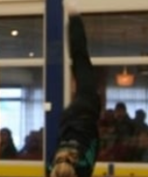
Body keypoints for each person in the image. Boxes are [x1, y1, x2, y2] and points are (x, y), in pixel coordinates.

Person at [48, 11, 100, 177]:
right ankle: (73, 19)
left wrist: (94, 125)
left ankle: (74, 17)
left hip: (87, 113)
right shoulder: (52, 167)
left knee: (81, 61)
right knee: (79, 61)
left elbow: (94, 143)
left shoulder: (83, 167)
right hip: (67, 120)